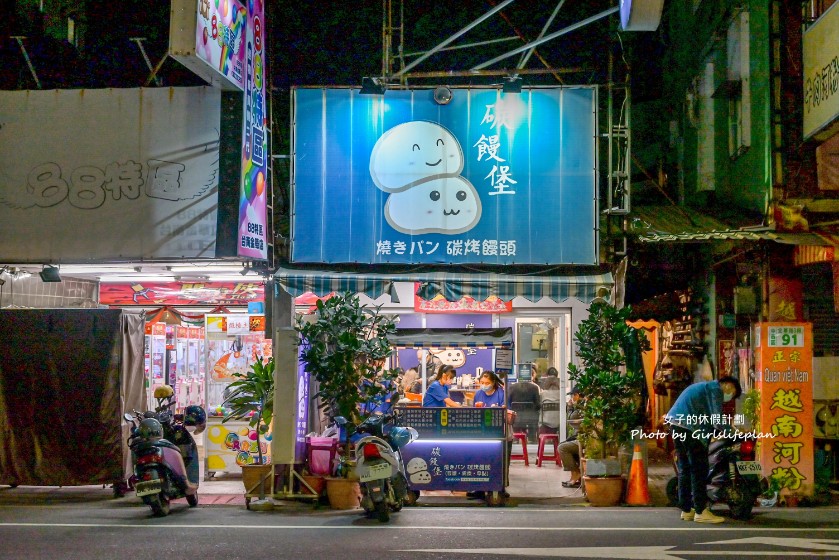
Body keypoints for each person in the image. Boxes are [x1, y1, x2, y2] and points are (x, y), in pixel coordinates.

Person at [665, 376, 743, 524]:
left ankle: (687, 510)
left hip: (675, 423)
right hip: (689, 428)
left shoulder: (703, 388)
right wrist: (734, 433)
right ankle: (701, 511)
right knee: (699, 469)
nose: (729, 396)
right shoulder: (715, 388)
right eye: (732, 392)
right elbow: (716, 419)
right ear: (727, 384)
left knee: (685, 469)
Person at [558, 387, 583, 488]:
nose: (572, 398)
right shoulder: (578, 407)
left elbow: (571, 419)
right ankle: (575, 474)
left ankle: (576, 473)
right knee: (564, 445)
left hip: (583, 438)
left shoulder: (582, 407)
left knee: (562, 448)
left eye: (573, 395)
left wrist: (572, 407)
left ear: (577, 395)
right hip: (578, 437)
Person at [508, 371, 541, 441]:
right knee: (534, 417)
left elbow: (508, 403)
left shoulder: (512, 387)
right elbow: (538, 405)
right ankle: (532, 439)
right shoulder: (534, 387)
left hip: (516, 417)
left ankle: (516, 439)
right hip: (531, 418)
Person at [538, 371, 562, 435]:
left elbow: (538, 406)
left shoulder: (543, 394)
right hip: (559, 422)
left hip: (545, 422)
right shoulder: (561, 394)